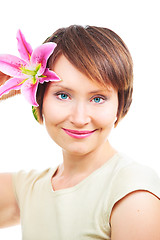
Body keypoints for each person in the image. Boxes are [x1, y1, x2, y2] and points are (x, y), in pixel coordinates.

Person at [0, 25, 160, 240]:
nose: (79, 118)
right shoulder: (28, 189)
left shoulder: (133, 191)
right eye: (63, 95)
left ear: (120, 105)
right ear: (39, 99)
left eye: (98, 98)